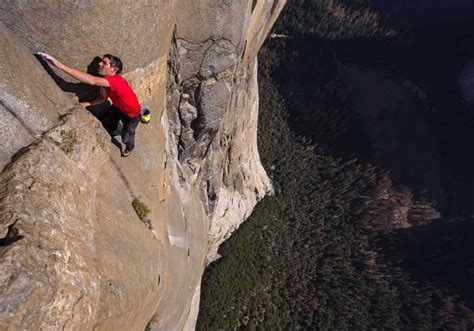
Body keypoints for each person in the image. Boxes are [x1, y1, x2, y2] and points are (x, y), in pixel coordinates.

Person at [40, 53, 141, 157]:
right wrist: (87, 104)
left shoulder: (116, 81)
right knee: (108, 121)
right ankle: (118, 130)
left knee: (126, 136)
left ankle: (130, 146)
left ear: (114, 69)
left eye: (104, 63)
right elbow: (103, 98)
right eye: (101, 61)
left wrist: (61, 66)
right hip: (118, 107)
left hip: (132, 115)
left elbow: (92, 80)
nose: (99, 63)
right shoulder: (106, 81)